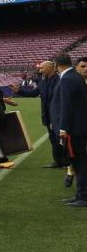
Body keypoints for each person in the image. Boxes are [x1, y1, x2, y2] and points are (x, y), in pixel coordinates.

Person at [13, 59, 63, 169]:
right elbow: (33, 93)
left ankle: (65, 161)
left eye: (42, 68)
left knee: (61, 139)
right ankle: (59, 161)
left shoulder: (59, 80)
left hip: (58, 115)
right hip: (48, 115)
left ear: (51, 68)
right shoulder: (43, 81)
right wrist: (19, 91)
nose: (40, 70)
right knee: (53, 139)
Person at [58, 56, 87, 207]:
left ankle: (83, 196)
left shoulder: (68, 78)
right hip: (80, 125)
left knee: (79, 162)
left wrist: (63, 127)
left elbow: (67, 106)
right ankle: (79, 195)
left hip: (75, 128)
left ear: (57, 65)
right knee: (78, 161)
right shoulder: (76, 77)